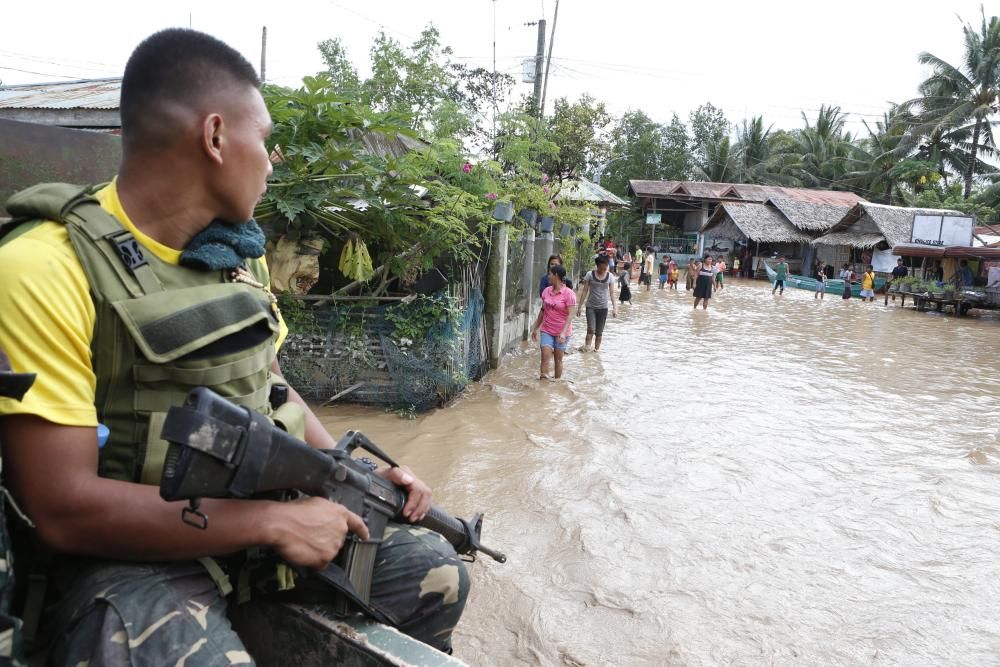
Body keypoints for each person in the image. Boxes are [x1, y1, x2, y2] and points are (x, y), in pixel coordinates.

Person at [0, 29, 468, 663]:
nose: (272, 163)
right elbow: (64, 509)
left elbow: (273, 388)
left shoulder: (233, 263)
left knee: (434, 573)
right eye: (266, 141)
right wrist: (273, 524)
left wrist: (355, 475)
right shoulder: (45, 266)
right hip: (129, 559)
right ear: (216, 136)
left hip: (252, 535)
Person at [530, 264, 576, 379]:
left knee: (558, 360)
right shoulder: (546, 291)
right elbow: (542, 310)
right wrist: (535, 328)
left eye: (550, 274)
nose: (548, 276)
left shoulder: (569, 294)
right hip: (547, 330)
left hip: (562, 332)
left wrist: (563, 332)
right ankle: (544, 387)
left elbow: (571, 314)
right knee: (545, 357)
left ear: (556, 275)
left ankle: (556, 384)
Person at [576, 255, 617, 352]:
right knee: (590, 329)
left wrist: (615, 308)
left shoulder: (610, 277)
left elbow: (612, 293)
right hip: (591, 307)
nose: (603, 270)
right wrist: (579, 307)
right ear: (597, 266)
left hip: (603, 308)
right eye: (601, 268)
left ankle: (596, 352)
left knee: (599, 333)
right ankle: (587, 352)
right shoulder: (590, 275)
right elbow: (585, 291)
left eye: (605, 268)